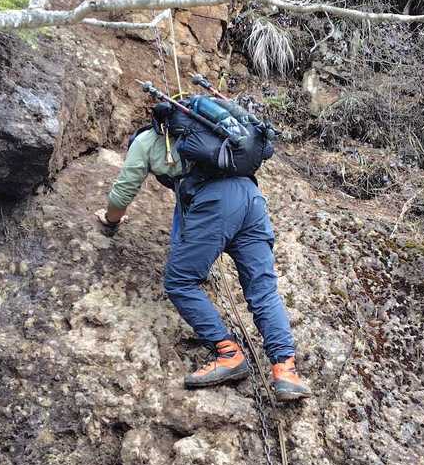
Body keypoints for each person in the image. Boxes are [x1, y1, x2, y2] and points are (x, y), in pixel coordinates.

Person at [97, 98, 310, 400]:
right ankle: (285, 370)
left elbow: (123, 192)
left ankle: (228, 354)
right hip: (251, 197)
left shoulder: (145, 141)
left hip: (216, 202)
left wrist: (111, 219)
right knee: (263, 290)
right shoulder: (212, 132)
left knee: (179, 281)